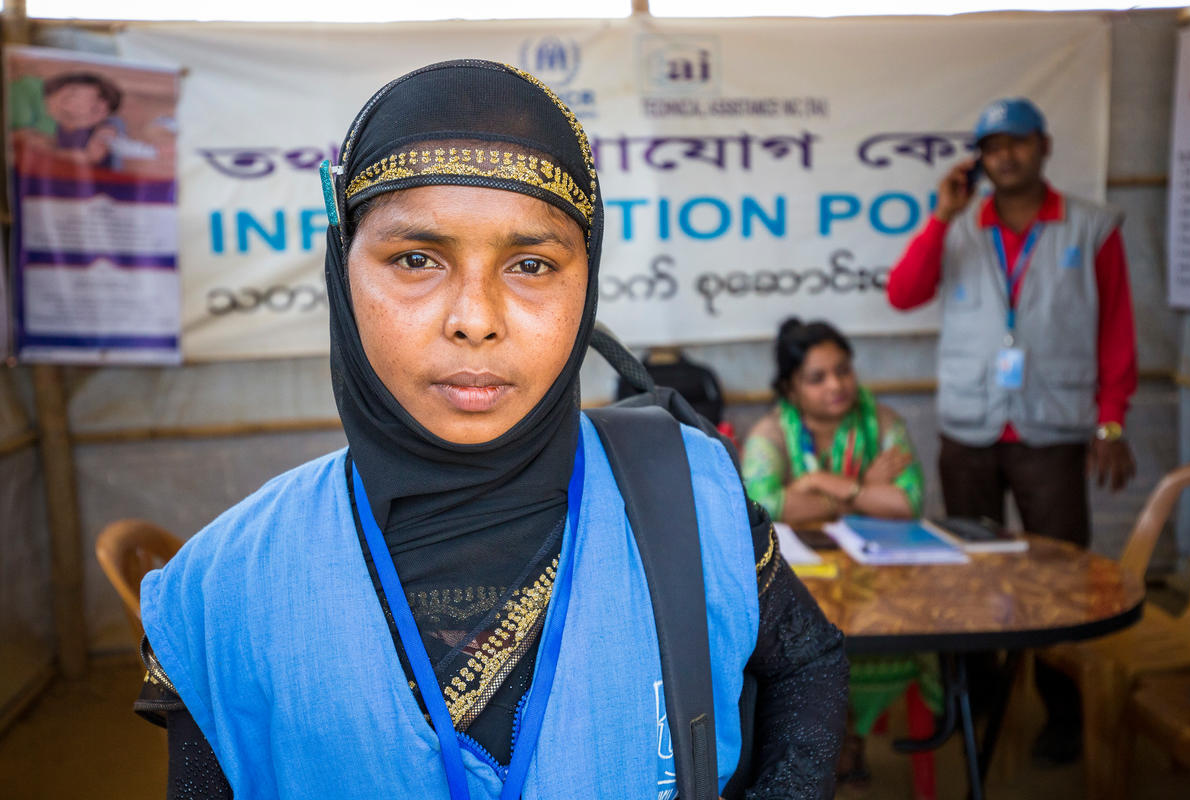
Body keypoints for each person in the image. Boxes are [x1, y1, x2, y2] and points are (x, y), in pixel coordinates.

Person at [132, 60, 848, 800]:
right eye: (416, 259)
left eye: (531, 264)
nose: (475, 319)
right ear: (342, 271)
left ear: (587, 281)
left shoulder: (686, 497)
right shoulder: (221, 593)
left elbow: (808, 660)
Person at [886, 97, 1138, 764]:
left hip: (1051, 428)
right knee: (967, 571)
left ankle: (1063, 709)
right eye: (992, 147)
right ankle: (978, 694)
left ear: (1044, 145)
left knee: (1061, 575)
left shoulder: (1092, 226)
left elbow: (1117, 329)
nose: (1006, 156)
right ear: (979, 160)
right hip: (969, 428)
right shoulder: (958, 226)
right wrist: (941, 216)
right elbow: (903, 293)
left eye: (1018, 142)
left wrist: (1111, 419)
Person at [741, 317, 938, 785]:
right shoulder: (771, 434)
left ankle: (848, 736)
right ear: (791, 387)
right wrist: (865, 491)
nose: (836, 385)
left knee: (896, 631)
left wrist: (825, 484)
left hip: (882, 588)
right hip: (803, 587)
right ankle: (830, 741)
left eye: (843, 370)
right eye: (818, 377)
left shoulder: (884, 424)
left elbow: (907, 503)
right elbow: (762, 505)